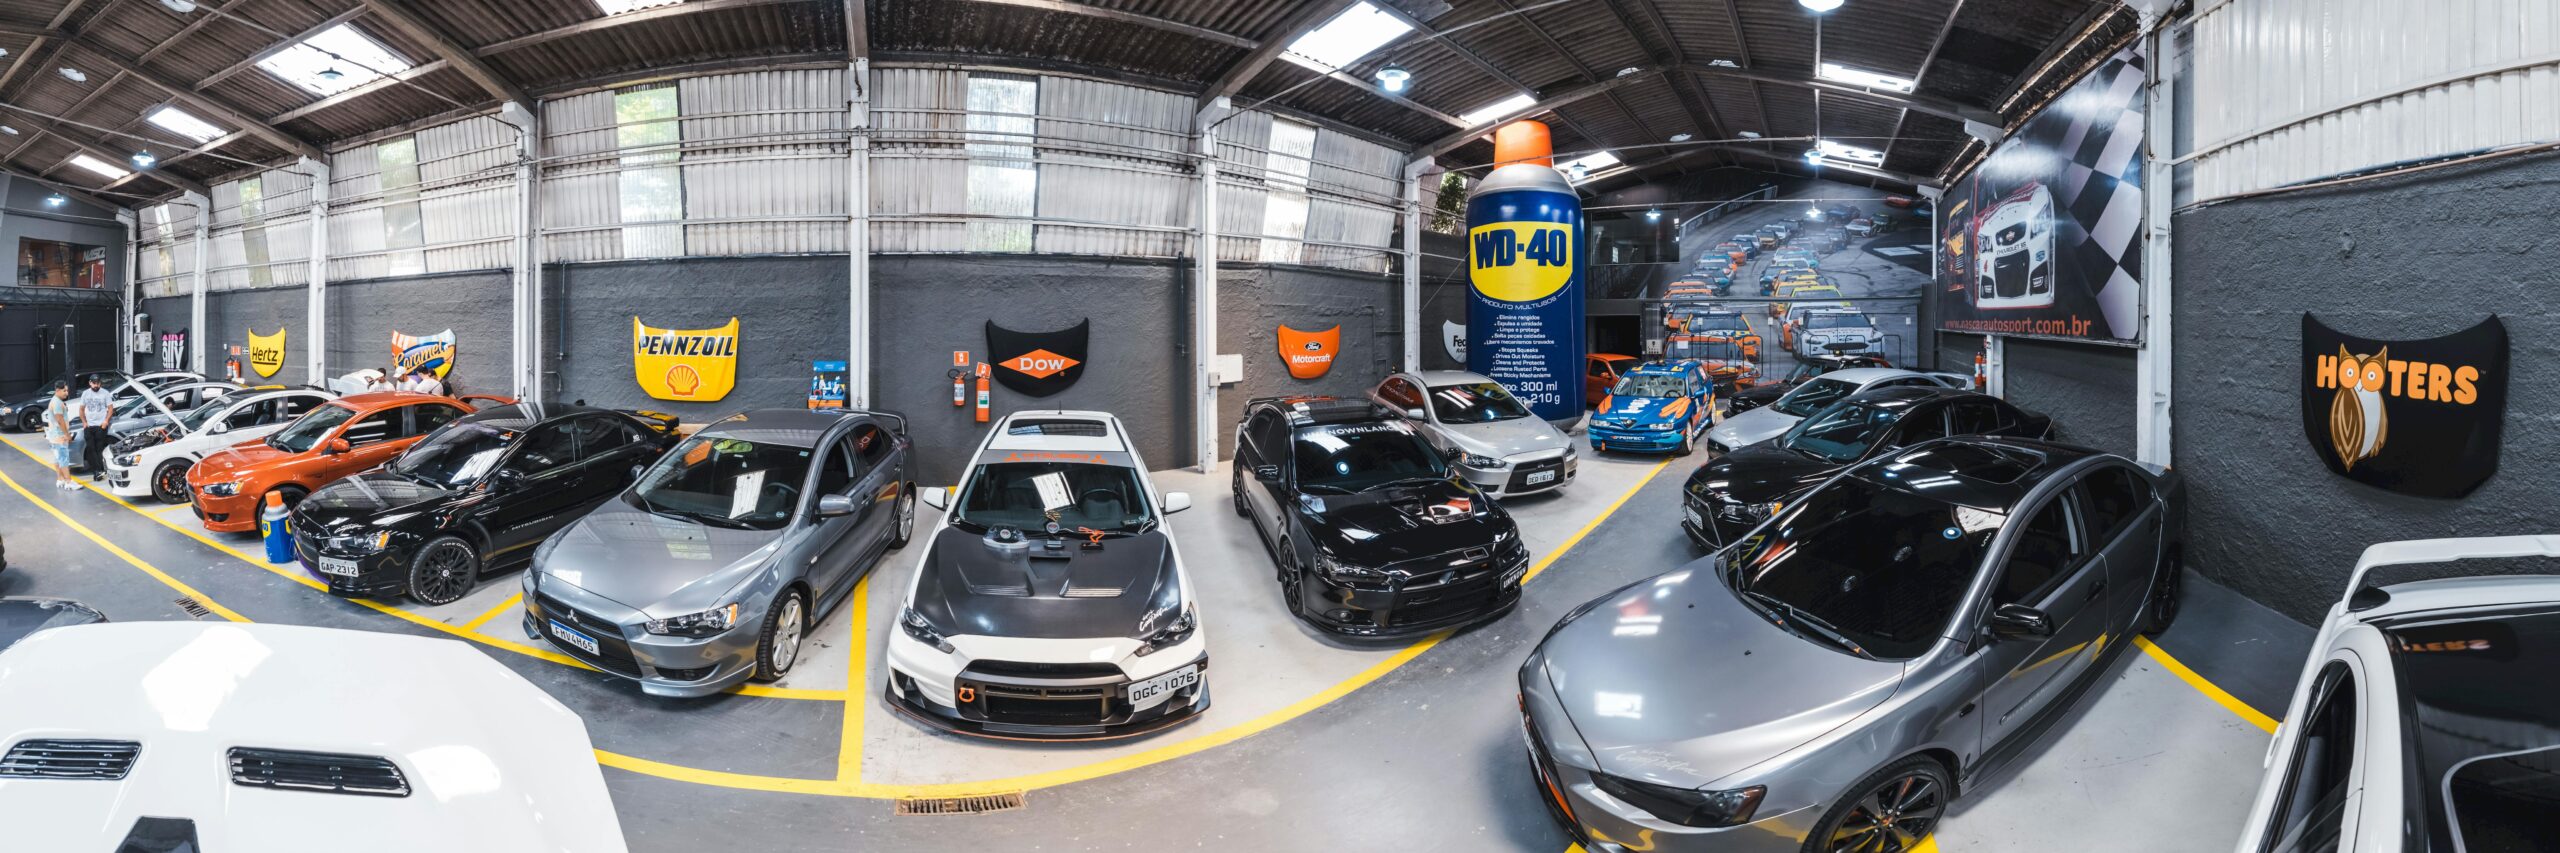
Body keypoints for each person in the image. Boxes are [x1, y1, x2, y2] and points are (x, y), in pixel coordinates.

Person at [77, 374, 113, 481]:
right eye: (94, 383)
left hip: (101, 425)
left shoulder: (105, 393)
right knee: (90, 449)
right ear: (90, 383)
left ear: (100, 383)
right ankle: (98, 471)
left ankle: (98, 471)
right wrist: (84, 422)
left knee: (99, 448)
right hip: (89, 425)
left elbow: (110, 408)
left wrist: (106, 421)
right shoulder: (85, 394)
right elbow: (81, 409)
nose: (96, 385)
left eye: (97, 383)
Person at [41, 381, 76, 491]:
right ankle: (69, 482)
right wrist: (67, 435)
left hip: (53, 436)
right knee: (64, 459)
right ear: (58, 390)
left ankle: (60, 479)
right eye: (64, 390)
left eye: (67, 390)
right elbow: (60, 420)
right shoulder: (57, 403)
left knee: (58, 459)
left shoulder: (54, 401)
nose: (67, 393)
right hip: (60, 436)